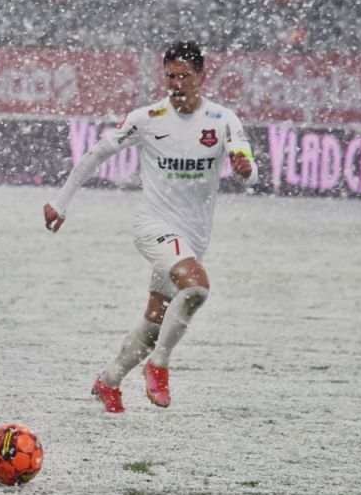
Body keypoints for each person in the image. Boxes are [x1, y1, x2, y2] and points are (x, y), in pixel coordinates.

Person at [43, 41, 257, 413]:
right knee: (197, 288)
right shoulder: (147, 118)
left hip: (194, 234)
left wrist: (245, 169)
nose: (176, 83)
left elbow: (250, 169)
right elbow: (96, 154)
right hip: (153, 224)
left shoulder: (224, 120)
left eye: (184, 76)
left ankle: (108, 381)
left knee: (156, 322)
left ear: (201, 76)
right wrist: (60, 203)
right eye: (170, 75)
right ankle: (158, 366)